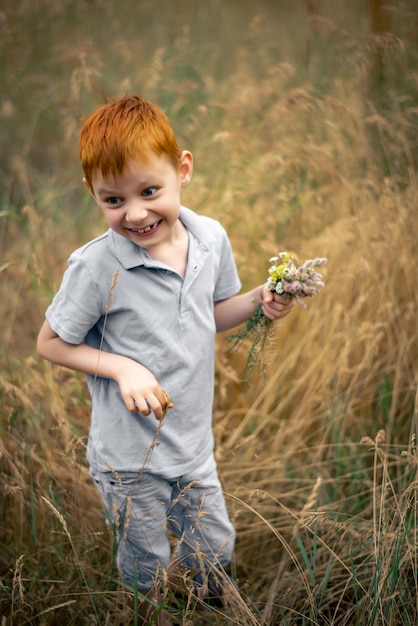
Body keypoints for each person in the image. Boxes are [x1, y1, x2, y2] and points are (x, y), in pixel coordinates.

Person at [36, 95, 294, 625]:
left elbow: (213, 313)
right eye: (113, 200)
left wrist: (262, 304)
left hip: (193, 445)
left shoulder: (209, 238)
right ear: (92, 193)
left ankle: (205, 610)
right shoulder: (96, 265)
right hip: (130, 459)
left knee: (214, 548)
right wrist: (122, 366)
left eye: (149, 191)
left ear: (183, 170)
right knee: (145, 567)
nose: (134, 213)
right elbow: (51, 342)